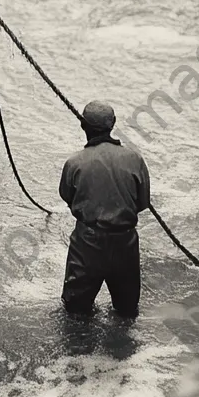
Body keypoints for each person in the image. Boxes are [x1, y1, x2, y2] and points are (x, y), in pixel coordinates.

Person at [59, 100, 151, 318]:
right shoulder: (135, 159)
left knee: (75, 313)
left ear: (83, 126)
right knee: (127, 312)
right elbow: (143, 203)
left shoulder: (75, 163)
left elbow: (67, 197)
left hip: (88, 244)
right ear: (114, 124)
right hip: (125, 243)